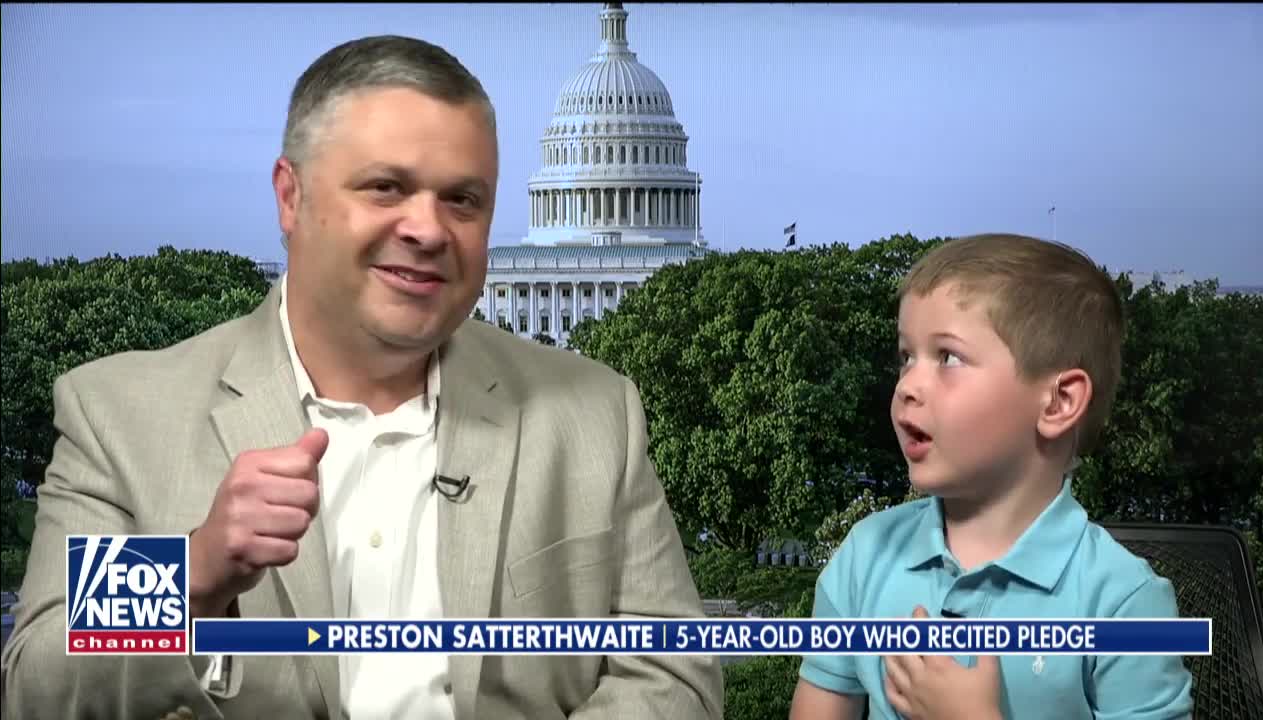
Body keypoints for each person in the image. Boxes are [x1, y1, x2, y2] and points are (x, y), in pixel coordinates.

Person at [1, 35, 723, 720]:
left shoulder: (595, 412)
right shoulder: (119, 413)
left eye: (462, 199)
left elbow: (673, 678)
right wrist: (192, 573)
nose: (427, 229)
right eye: (385, 187)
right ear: (291, 196)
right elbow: (36, 689)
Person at [788, 234, 1194, 719]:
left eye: (949, 357)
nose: (907, 387)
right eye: (906, 357)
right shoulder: (863, 557)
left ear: (1059, 402)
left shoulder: (1125, 607)